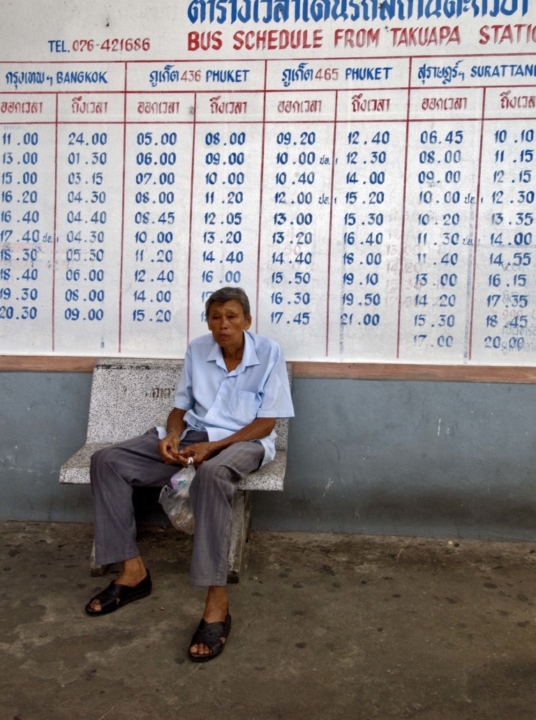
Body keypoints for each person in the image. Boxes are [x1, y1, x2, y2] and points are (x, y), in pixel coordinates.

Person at [84, 287, 294, 662]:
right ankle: (132, 571)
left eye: (232, 317)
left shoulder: (268, 353)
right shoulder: (198, 350)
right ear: (208, 322)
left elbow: (266, 423)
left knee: (212, 475)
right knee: (106, 460)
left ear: (247, 321)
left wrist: (213, 447)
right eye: (216, 317)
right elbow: (180, 409)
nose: (223, 324)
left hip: (245, 442)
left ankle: (217, 602)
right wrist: (172, 436)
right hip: (195, 438)